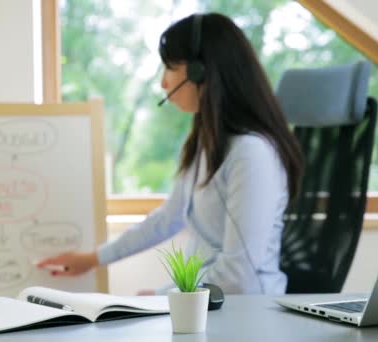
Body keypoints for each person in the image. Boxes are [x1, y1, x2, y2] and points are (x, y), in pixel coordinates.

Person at [37, 12, 303, 295]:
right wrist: (93, 259)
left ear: (200, 71)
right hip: (205, 307)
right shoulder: (205, 144)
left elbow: (237, 276)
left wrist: (165, 296)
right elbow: (167, 219)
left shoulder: (251, 154)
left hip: (246, 315)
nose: (163, 83)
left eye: (170, 67)